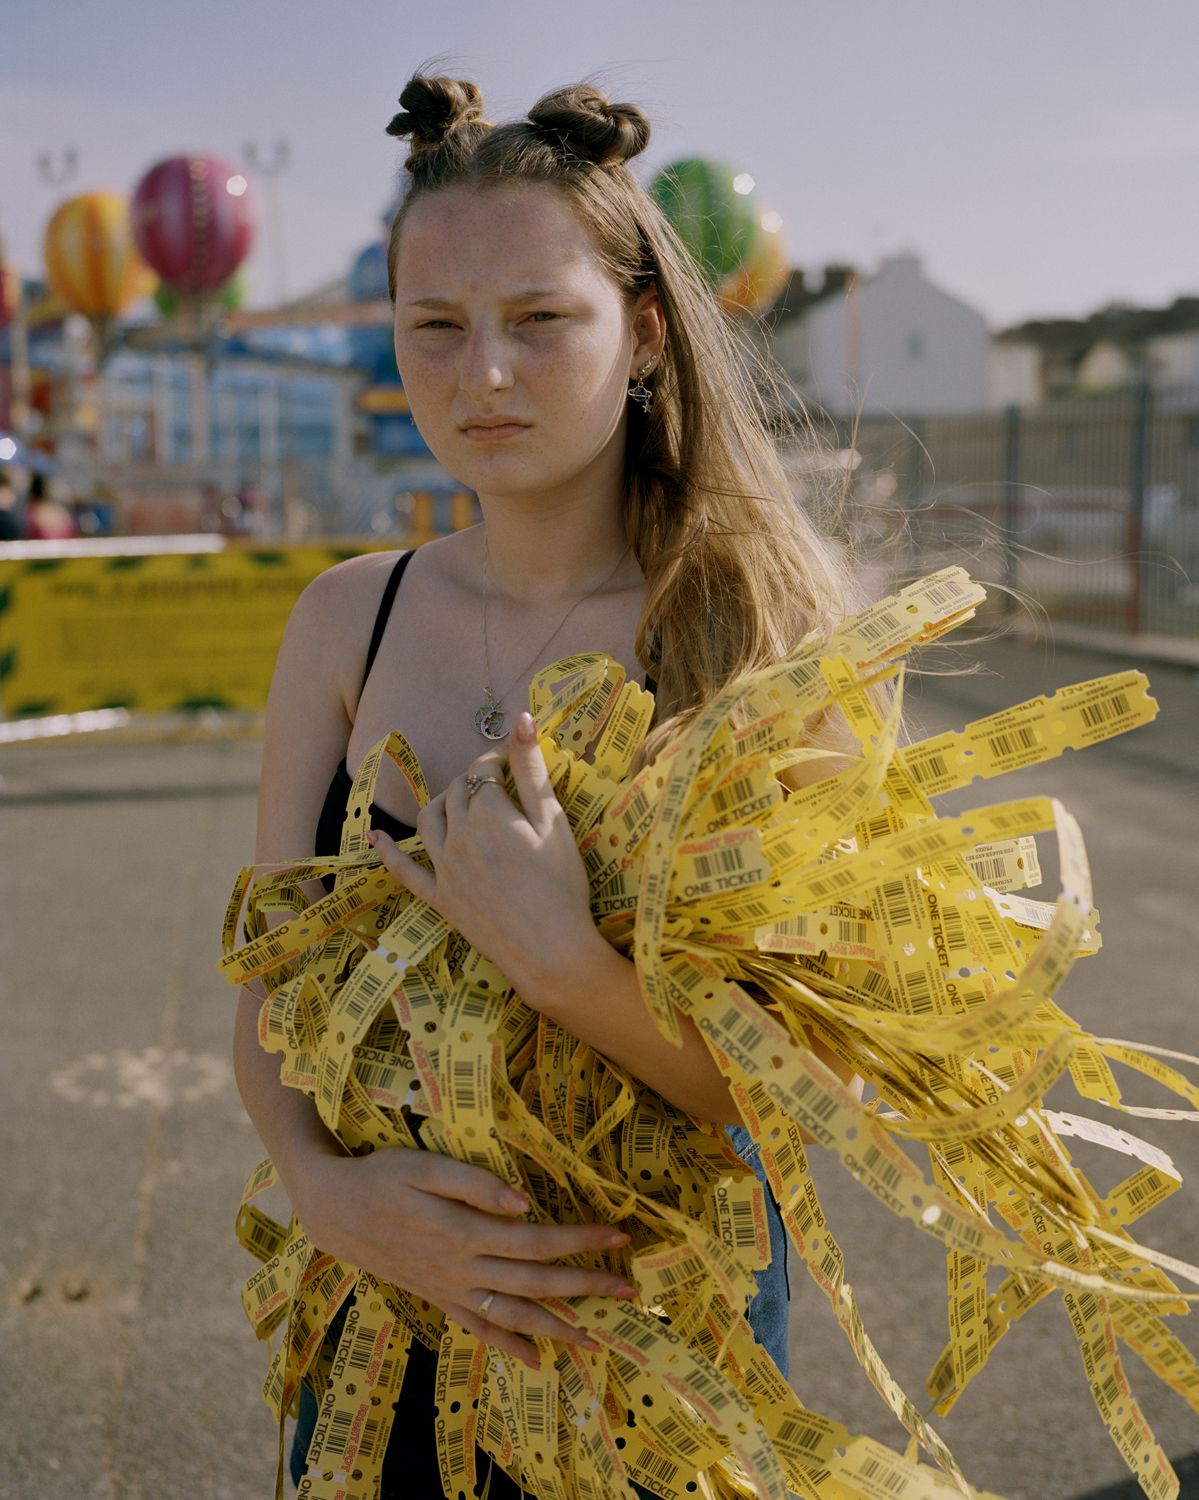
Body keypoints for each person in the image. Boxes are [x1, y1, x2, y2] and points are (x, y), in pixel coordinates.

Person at [235, 73, 861, 1500]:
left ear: (643, 335)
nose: (484, 376)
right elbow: (264, 1002)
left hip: (651, 1352)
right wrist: (331, 1198)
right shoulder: (347, 620)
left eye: (540, 321)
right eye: (436, 330)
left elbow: (803, 1091)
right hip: (379, 1334)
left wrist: (562, 959)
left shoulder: (757, 626)